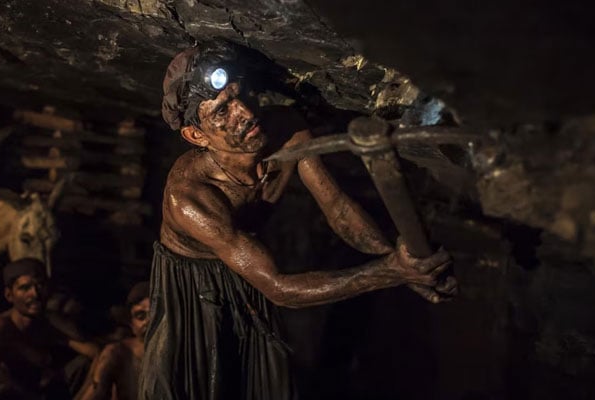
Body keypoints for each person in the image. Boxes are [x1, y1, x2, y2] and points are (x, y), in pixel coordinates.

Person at [138, 42, 457, 400]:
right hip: (192, 287)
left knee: (260, 384)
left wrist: (405, 265)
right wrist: (393, 272)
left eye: (241, 95)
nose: (245, 113)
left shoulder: (287, 131)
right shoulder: (191, 198)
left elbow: (336, 207)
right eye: (223, 111)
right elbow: (279, 289)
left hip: (248, 267)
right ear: (197, 135)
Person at [0, 258, 99, 399]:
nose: (35, 294)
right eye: (25, 288)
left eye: (40, 285)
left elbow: (95, 352)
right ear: (9, 295)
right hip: (14, 395)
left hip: (44, 391)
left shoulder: (49, 323)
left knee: (97, 360)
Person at [75, 282, 151, 400]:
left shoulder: (177, 352)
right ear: (131, 324)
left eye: (156, 314)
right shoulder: (118, 353)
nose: (149, 321)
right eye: (141, 316)